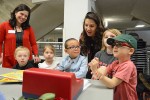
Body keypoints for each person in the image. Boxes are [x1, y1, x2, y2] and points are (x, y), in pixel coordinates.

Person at [89, 34, 138, 100]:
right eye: (115, 44)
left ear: (131, 51)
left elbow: (112, 83)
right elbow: (104, 71)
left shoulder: (128, 66)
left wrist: (95, 71)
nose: (115, 47)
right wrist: (96, 68)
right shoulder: (115, 63)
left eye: (120, 45)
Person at [0, 4, 40, 68]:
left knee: (25, 77)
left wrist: (36, 55)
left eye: (26, 16)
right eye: (21, 14)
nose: (23, 17)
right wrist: (0, 55)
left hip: (25, 61)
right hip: (9, 59)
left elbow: (33, 44)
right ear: (15, 12)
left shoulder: (28, 28)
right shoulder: (4, 25)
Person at [79, 12, 105, 79]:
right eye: (86, 25)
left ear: (98, 26)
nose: (88, 29)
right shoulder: (83, 37)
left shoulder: (104, 37)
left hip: (102, 70)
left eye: (91, 26)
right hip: (90, 70)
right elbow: (81, 54)